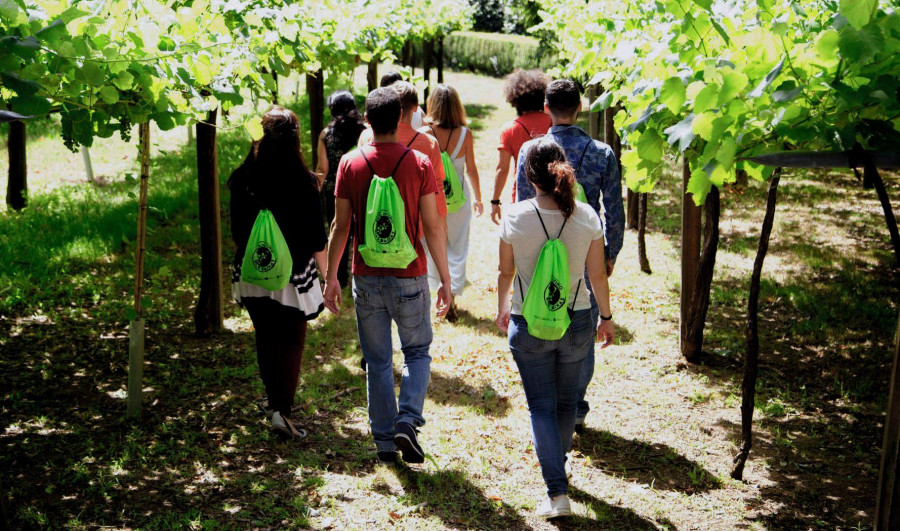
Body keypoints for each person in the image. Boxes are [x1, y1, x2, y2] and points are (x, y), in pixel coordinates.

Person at [324, 88, 453, 465]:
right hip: (410, 274)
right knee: (416, 351)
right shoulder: (419, 163)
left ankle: (383, 440)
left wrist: (330, 277)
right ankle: (408, 420)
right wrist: (445, 279)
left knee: (377, 360)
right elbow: (432, 226)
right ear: (402, 118)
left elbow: (340, 226)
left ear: (366, 119)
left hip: (365, 276)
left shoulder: (350, 163)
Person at [496, 139, 614, 518]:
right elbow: (597, 275)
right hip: (577, 320)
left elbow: (505, 272)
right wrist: (607, 318)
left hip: (528, 323)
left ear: (529, 176)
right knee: (565, 403)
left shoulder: (515, 217)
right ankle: (557, 468)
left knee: (541, 406)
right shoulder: (587, 218)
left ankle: (556, 491)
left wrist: (502, 308)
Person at [515, 79, 625, 434]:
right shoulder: (601, 153)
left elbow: (521, 203)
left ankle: (550, 399)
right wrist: (608, 256)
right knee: (583, 326)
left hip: (539, 252)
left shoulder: (531, 151)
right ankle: (574, 402)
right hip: (584, 251)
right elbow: (615, 211)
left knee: (539, 317)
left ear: (546, 108)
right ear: (579, 107)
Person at [229, 106, 327, 440]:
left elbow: (236, 233)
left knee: (265, 336)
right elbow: (317, 237)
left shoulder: (241, 179)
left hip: (252, 273)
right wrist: (326, 278)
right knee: (291, 340)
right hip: (291, 280)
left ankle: (275, 405)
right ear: (295, 141)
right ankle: (281, 412)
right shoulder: (305, 183)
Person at [420, 83, 483, 320]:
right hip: (458, 202)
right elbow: (472, 169)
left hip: (432, 200)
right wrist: (478, 198)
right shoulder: (465, 134)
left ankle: (436, 291)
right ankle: (452, 294)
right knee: (457, 247)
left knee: (432, 245)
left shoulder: (425, 134)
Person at [358, 80, 447, 220]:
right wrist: (442, 224)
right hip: (417, 225)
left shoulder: (367, 136)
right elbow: (437, 188)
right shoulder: (429, 144)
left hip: (376, 222)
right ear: (416, 107)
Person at [316, 90, 366, 288]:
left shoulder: (326, 134)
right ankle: (363, 270)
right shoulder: (364, 131)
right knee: (362, 230)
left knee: (338, 229)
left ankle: (339, 276)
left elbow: (322, 168)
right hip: (362, 187)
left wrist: (314, 191)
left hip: (335, 191)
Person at [490, 69, 552, 225]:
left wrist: (495, 201)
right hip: (554, 192)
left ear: (514, 99)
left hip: (523, 195)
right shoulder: (554, 123)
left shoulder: (510, 129)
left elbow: (502, 169)